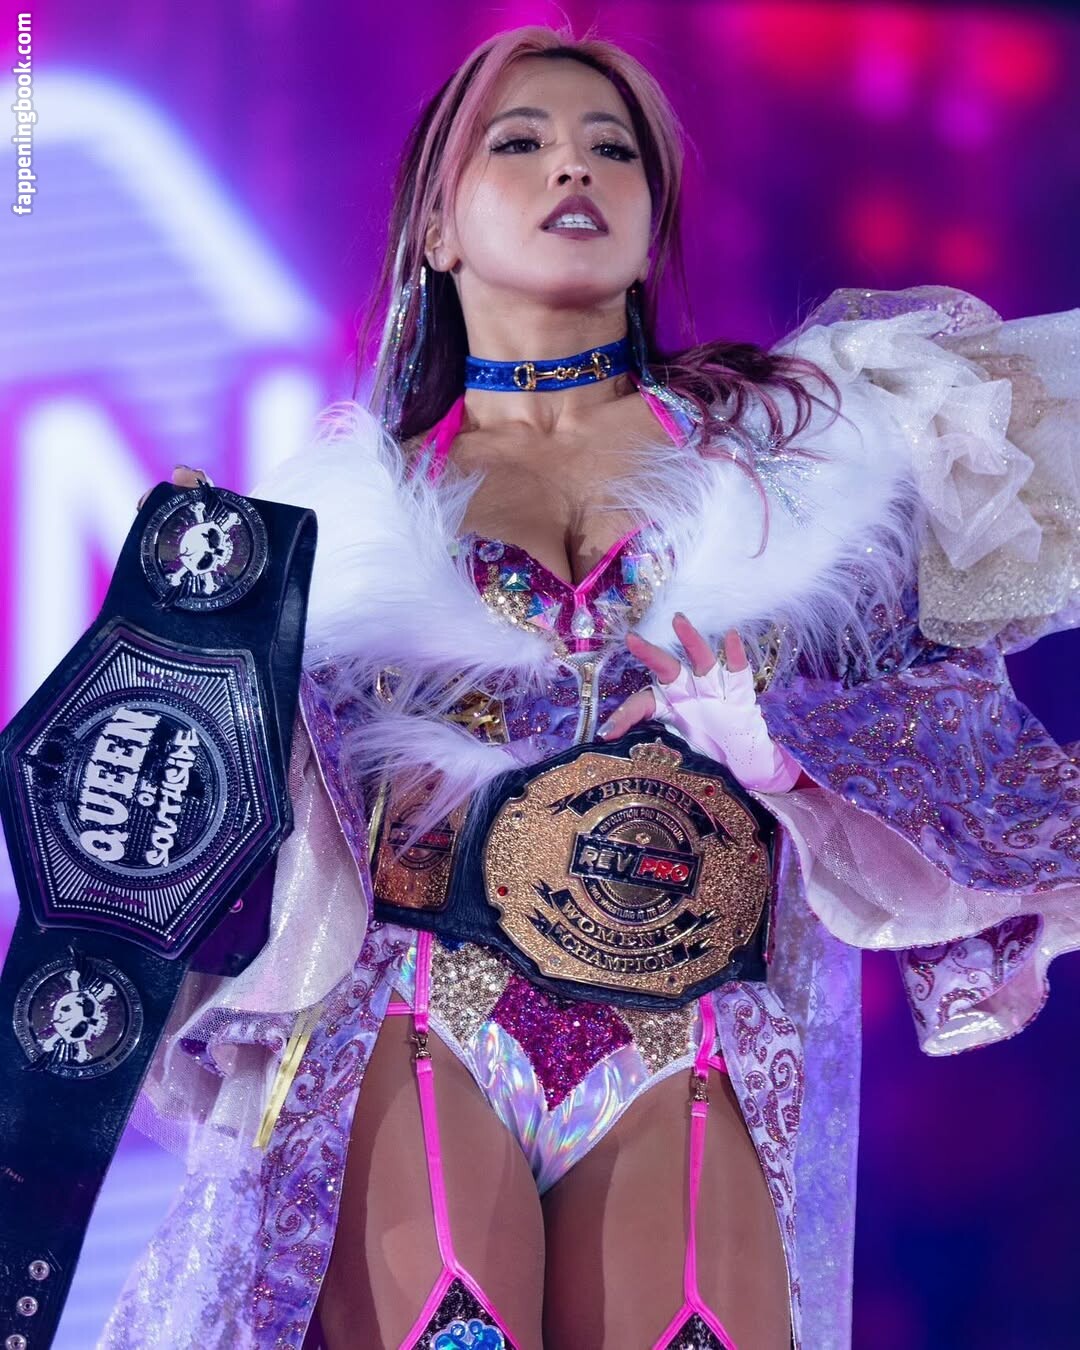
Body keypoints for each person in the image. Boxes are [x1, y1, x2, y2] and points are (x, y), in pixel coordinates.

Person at [100, 24, 1080, 1350]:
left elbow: (944, 730)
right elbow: (170, 841)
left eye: (613, 150)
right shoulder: (326, 532)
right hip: (418, 1016)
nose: (575, 166)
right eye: (521, 142)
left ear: (652, 218)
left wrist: (782, 755)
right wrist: (185, 644)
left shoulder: (805, 462)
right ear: (436, 226)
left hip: (694, 1040)